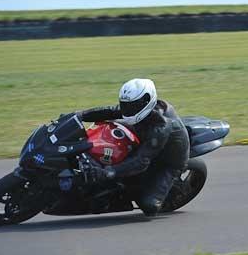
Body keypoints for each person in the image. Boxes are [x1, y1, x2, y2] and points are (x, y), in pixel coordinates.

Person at [76, 78, 190, 217]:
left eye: (132, 106)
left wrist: (108, 172)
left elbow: (142, 161)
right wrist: (79, 115)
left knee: (149, 206)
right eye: (125, 105)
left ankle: (159, 189)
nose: (127, 109)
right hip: (145, 140)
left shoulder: (161, 126)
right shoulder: (137, 110)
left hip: (167, 161)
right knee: (108, 131)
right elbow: (111, 111)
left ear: (146, 101)